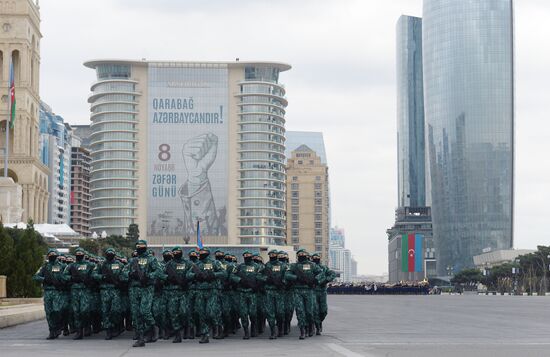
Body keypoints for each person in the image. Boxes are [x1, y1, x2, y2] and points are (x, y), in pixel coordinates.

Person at [123, 240, 161, 347]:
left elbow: (159, 272)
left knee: (144, 311)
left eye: (142, 246)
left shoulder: (151, 259)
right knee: (136, 314)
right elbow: (123, 273)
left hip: (146, 288)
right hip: (134, 289)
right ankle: (140, 338)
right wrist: (130, 274)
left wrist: (148, 276)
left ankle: (153, 326)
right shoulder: (132, 261)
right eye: (138, 246)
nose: (140, 248)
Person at [186, 247, 225, 344]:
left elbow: (224, 273)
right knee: (201, 313)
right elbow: (187, 275)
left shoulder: (215, 263)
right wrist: (195, 276)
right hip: (200, 291)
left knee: (210, 312)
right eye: (201, 252)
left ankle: (217, 327)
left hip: (212, 290)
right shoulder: (196, 265)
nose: (202, 254)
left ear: (208, 253)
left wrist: (214, 275)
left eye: (204, 252)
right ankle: (205, 334)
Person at [284, 249, 322, 340]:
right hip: (298, 291)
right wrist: (296, 278)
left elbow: (320, 273)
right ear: (297, 256)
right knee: (300, 311)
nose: (302, 255)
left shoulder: (312, 265)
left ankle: (310, 327)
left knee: (309, 311)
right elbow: (287, 274)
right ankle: (302, 330)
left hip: (309, 291)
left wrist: (315, 280)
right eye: (300, 254)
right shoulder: (294, 266)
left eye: (303, 254)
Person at [33, 249, 67, 339]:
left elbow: (67, 276)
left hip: (57, 292)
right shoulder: (45, 266)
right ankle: (52, 330)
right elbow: (35, 276)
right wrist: (44, 279)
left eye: (53, 254)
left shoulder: (62, 266)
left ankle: (58, 326)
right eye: (50, 254)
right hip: (48, 291)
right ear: (48, 256)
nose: (52, 255)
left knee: (57, 310)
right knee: (49, 312)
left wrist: (61, 280)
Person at [232, 251, 265, 339]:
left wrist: (256, 284)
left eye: (249, 256)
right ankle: (246, 331)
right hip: (242, 292)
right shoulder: (240, 266)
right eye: (245, 256)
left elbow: (263, 277)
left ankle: (254, 328)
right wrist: (240, 280)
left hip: (252, 292)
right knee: (243, 313)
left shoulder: (257, 266)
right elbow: (232, 276)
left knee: (253, 313)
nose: (247, 257)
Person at [64, 248, 95, 340]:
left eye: (80, 254)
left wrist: (90, 279)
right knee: (76, 311)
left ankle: (87, 325)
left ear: (84, 255)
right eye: (77, 254)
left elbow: (96, 274)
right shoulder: (71, 266)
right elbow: (64, 275)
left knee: (85, 310)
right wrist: (72, 278)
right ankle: (79, 331)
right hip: (75, 291)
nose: (79, 255)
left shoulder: (90, 265)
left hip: (85, 290)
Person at [93, 248, 124, 340]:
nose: (109, 255)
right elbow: (94, 274)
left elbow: (125, 275)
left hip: (115, 290)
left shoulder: (119, 264)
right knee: (105, 310)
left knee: (115, 310)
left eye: (111, 253)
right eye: (108, 253)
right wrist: (103, 277)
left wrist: (119, 280)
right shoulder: (101, 264)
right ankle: (108, 330)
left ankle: (116, 325)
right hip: (104, 290)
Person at [163, 246, 191, 343]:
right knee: (173, 313)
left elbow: (192, 273)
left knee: (183, 312)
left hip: (183, 292)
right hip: (172, 292)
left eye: (178, 252)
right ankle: (177, 333)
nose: (176, 253)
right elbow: (161, 274)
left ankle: (185, 327)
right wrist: (168, 278)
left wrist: (186, 279)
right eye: (174, 252)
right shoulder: (168, 265)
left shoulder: (187, 263)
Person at [262, 249, 287, 339]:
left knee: (280, 312)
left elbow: (287, 276)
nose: (272, 256)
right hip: (269, 291)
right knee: (270, 313)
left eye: (274, 254)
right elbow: (260, 275)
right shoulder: (266, 266)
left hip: (279, 291)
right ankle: (273, 331)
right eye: (271, 254)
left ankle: (280, 329)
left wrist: (282, 282)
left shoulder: (283, 265)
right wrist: (266, 279)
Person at [311, 252, 336, 335]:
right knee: (315, 310)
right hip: (313, 292)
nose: (315, 258)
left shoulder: (324, 268)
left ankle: (319, 322)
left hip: (322, 292)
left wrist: (326, 280)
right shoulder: (310, 268)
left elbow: (333, 274)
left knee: (324, 310)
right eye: (314, 257)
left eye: (317, 257)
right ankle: (317, 326)